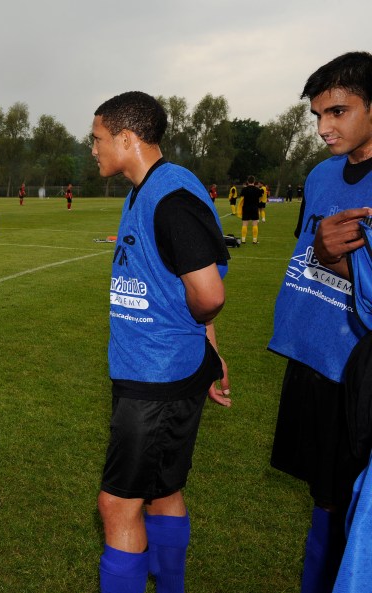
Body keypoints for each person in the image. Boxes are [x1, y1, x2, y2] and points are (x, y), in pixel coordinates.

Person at [91, 91, 230, 593]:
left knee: (117, 504)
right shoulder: (147, 187)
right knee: (164, 491)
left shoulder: (170, 197)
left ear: (128, 139)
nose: (94, 148)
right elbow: (184, 281)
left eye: (99, 138)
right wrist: (207, 347)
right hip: (165, 368)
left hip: (155, 376)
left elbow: (209, 293)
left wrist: (196, 333)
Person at [270, 50, 372, 593]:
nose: (323, 128)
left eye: (338, 112)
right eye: (317, 116)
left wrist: (348, 261)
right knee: (325, 496)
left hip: (360, 365)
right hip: (314, 356)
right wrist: (323, 250)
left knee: (358, 499)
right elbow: (311, 252)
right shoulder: (321, 174)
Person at [239, 176, 261, 244]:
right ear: (254, 181)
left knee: (244, 224)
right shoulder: (257, 190)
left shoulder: (244, 189)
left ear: (247, 181)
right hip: (254, 208)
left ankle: (243, 240)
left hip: (246, 208)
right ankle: (254, 240)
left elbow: (241, 198)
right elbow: (260, 198)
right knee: (255, 224)